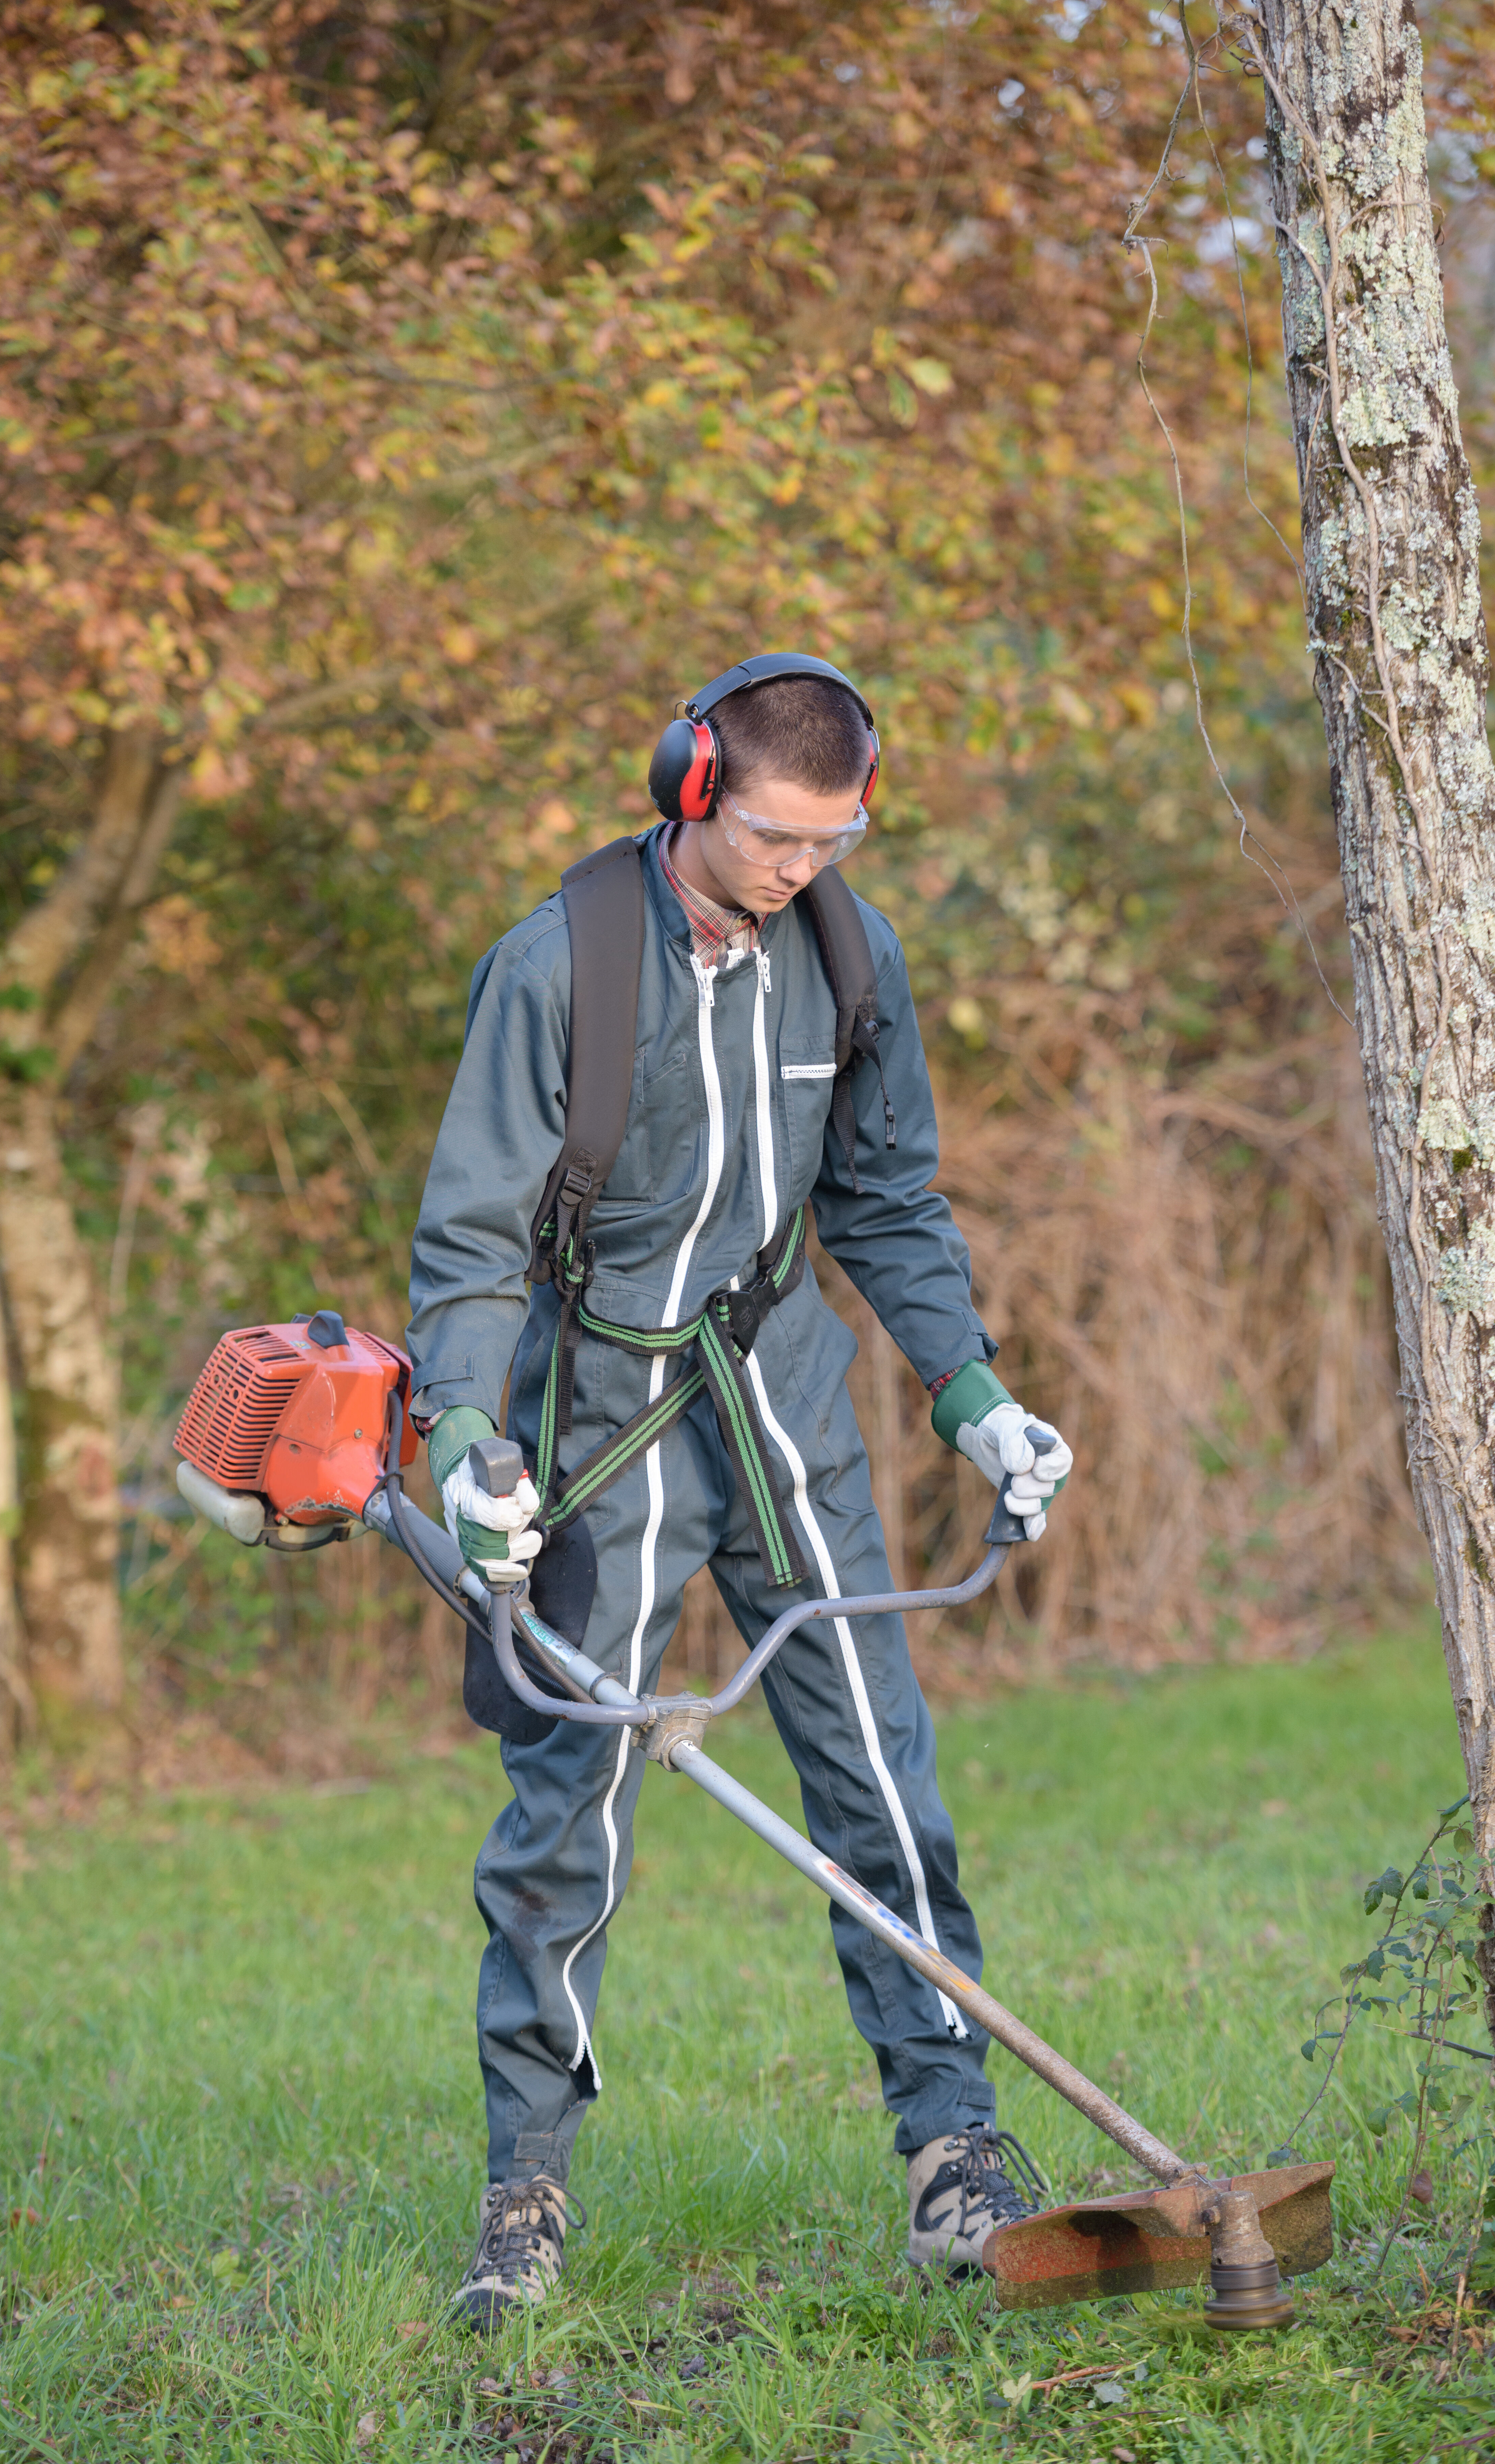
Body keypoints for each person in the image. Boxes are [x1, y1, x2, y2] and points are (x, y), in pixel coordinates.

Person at [407, 654, 1073, 2332]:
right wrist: (469, 1447)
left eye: (835, 839)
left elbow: (890, 1200)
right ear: (689, 782)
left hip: (783, 1397)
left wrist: (972, 1390)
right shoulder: (561, 968)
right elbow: (473, 1247)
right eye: (778, 836)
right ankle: (528, 2184)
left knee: (877, 1776)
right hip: (602, 1421)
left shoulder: (849, 954)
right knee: (570, 1818)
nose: (802, 869)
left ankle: (954, 2147)